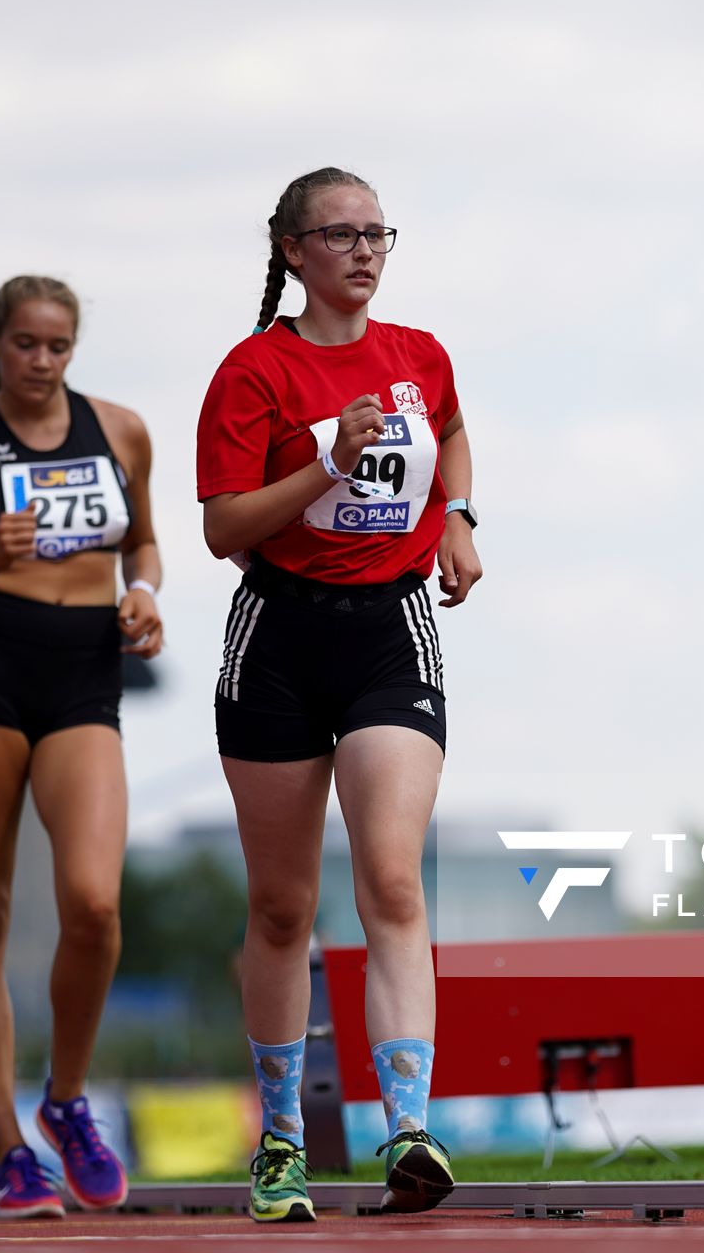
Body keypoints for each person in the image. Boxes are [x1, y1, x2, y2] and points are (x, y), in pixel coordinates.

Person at [196, 167, 483, 1222]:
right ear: (292, 249)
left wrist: (458, 515)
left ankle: (408, 1126)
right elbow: (225, 528)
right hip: (276, 634)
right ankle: (279, 1144)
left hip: (388, 634)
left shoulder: (419, 355)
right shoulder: (254, 370)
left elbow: (448, 428)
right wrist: (327, 461)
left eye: (378, 233)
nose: (364, 250)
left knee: (392, 879)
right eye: (341, 233)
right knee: (282, 905)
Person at [0, 275, 163, 1220]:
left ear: (73, 349)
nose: (40, 362)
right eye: (24, 344)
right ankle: (11, 1147)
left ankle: (65, 1100)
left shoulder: (122, 430)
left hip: (85, 676)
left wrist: (145, 597)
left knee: (93, 904)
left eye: (57, 346)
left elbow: (147, 545)